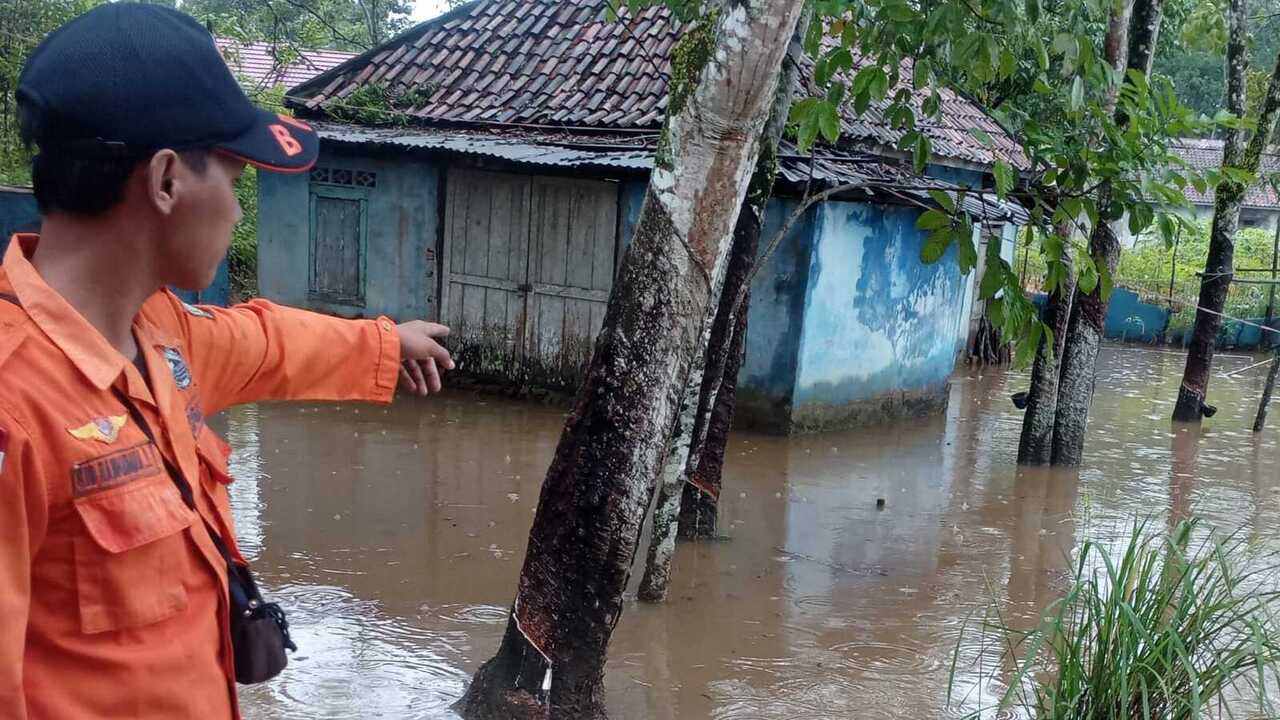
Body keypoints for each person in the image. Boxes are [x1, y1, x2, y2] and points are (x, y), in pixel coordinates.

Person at [0, 4, 454, 718]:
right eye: (237, 179)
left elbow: (265, 343)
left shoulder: (156, 330)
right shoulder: (15, 402)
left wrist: (388, 343)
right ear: (167, 180)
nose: (241, 213)